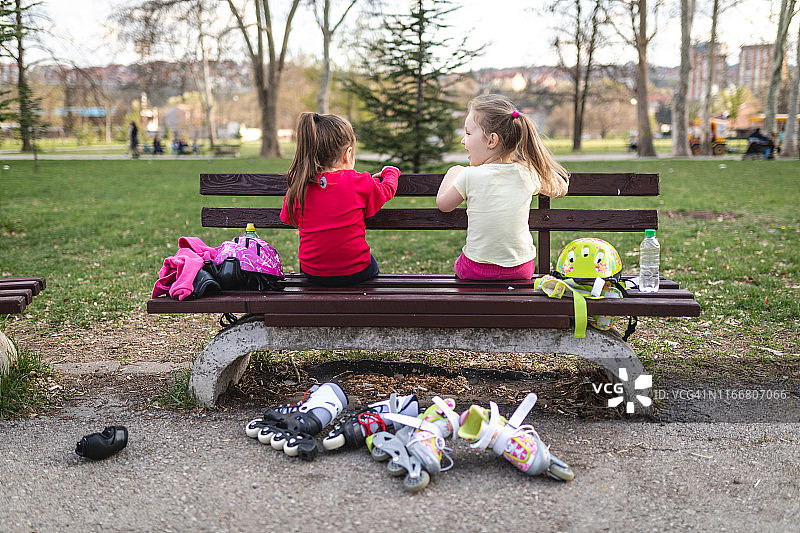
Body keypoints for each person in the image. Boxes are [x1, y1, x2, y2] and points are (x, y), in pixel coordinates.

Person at [436, 94, 570, 280]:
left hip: (475, 270)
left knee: (461, 263)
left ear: (492, 140)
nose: (463, 140)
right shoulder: (527, 173)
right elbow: (561, 188)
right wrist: (532, 164)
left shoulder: (468, 175)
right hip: (521, 269)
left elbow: (444, 204)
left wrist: (453, 172)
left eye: (468, 133)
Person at [279, 112, 401, 286]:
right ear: (348, 153)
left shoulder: (299, 186)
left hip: (312, 272)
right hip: (356, 271)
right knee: (371, 264)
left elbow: (290, 219)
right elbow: (387, 189)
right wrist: (391, 172)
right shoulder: (360, 182)